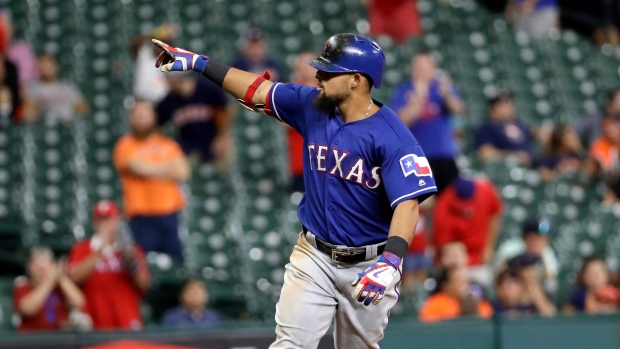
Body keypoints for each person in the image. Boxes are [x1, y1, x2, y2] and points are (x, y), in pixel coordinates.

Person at [152, 32, 437, 348]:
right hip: (314, 255)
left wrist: (392, 260)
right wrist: (199, 63)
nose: (318, 74)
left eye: (329, 71)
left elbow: (408, 204)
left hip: (370, 264)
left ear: (357, 79)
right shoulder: (311, 104)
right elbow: (257, 90)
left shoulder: (393, 137)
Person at [113, 100, 190, 261]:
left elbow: (183, 172)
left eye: (144, 113)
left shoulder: (169, 144)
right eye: (136, 114)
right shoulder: (125, 144)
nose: (140, 117)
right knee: (143, 265)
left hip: (170, 213)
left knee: (175, 263)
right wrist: (168, 169)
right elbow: (137, 167)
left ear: (154, 116)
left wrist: (150, 168)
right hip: (141, 214)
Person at [68, 200, 151, 330]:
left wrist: (132, 265)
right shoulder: (82, 248)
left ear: (117, 221)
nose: (104, 225)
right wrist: (100, 251)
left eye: (108, 220)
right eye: (100, 220)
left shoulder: (130, 249)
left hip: (125, 317)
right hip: (95, 318)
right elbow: (74, 278)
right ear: (94, 223)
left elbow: (144, 285)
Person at [391, 53, 465, 192]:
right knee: (421, 199)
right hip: (416, 156)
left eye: (425, 67)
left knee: (447, 199)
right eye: (418, 67)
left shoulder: (442, 87)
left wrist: (448, 95)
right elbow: (401, 121)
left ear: (433, 69)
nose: (421, 71)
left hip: (444, 155)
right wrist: (418, 98)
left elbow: (458, 110)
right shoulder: (404, 89)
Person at [432, 175, 503, 286]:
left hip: (478, 260)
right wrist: (458, 266)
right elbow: (446, 248)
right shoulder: (444, 204)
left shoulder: (485, 192)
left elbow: (495, 214)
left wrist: (489, 246)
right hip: (455, 263)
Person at [156, 72, 231, 164]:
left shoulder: (207, 88)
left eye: (168, 79)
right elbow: (157, 126)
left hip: (214, 140)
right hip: (188, 146)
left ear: (178, 78)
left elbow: (228, 108)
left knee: (225, 164)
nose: (167, 83)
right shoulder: (168, 101)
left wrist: (222, 136)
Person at [13, 247, 86, 332]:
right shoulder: (23, 285)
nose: (41, 271)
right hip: (32, 339)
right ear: (29, 267)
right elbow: (28, 309)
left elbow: (79, 302)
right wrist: (49, 281)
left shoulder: (59, 288)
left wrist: (61, 277)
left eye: (44, 267)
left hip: (59, 338)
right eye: (37, 267)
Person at [494, 218, 559, 293]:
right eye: (537, 237)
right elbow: (496, 278)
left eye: (544, 238)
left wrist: (542, 259)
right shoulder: (510, 248)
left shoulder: (547, 253)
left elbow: (551, 287)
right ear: (527, 237)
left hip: (531, 297)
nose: (540, 241)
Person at [25, 54, 88, 125]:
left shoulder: (68, 87)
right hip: (47, 125)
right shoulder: (33, 88)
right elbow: (29, 111)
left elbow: (82, 107)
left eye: (49, 66)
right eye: (43, 66)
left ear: (55, 67)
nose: (46, 69)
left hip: (69, 124)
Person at [474, 91, 533, 165]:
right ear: (493, 108)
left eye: (509, 103)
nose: (509, 107)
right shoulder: (486, 128)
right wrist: (515, 156)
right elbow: (485, 154)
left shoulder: (520, 125)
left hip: (530, 167)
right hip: (506, 169)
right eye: (504, 104)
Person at [286, 52, 316, 193]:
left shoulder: (329, 89)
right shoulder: (291, 90)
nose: (308, 69)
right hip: (300, 162)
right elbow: (282, 121)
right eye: (304, 65)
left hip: (326, 162)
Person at [418, 266, 494, 322]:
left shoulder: (475, 301)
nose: (464, 285)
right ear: (446, 286)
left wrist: (474, 313)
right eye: (458, 281)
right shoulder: (435, 303)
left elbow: (488, 319)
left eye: (465, 281)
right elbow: (427, 326)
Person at [130, 23, 177, 103]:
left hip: (162, 101)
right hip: (142, 99)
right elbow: (134, 43)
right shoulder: (144, 52)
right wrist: (157, 32)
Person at [492, 266, 556, 316]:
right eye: (506, 282)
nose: (510, 286)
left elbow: (552, 316)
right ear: (499, 287)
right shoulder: (492, 308)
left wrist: (537, 296)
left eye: (514, 282)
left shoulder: (529, 308)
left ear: (521, 286)